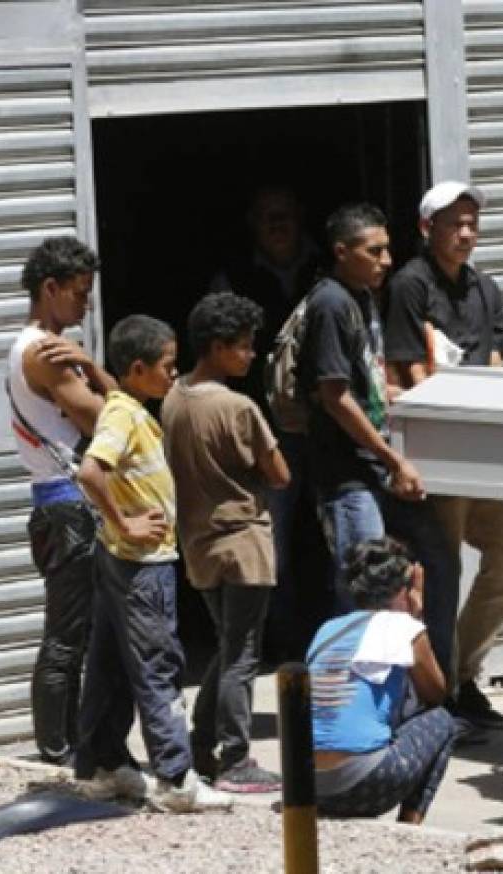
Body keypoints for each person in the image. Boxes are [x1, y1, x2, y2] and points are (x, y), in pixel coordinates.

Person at [297, 203, 460, 687]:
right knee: (364, 588)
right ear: (341, 252)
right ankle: (350, 697)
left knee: (437, 560)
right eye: (375, 251)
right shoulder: (330, 303)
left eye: (388, 248)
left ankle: (433, 687)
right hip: (349, 475)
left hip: (379, 468)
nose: (387, 259)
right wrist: (393, 459)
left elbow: (367, 385)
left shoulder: (363, 297)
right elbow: (335, 396)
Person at [75, 314, 232, 813]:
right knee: (159, 666)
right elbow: (90, 471)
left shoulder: (125, 405)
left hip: (121, 563)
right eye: (167, 365)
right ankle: (176, 779)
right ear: (138, 369)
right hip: (142, 565)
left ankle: (102, 764)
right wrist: (126, 523)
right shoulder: (122, 416)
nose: (174, 373)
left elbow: (113, 401)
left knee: (111, 664)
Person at [384, 181, 503, 733]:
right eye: (454, 223)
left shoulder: (486, 288)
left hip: (482, 451)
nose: (466, 232)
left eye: (472, 222)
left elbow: (493, 361)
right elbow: (409, 372)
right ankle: (437, 698)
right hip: (440, 455)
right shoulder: (409, 286)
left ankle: (462, 676)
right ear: (428, 229)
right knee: (439, 575)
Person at [161, 292, 291, 793]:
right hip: (243, 543)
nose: (251, 354)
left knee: (226, 643)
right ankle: (236, 758)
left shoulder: (173, 397)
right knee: (242, 654)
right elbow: (278, 474)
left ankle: (200, 743)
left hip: (198, 543)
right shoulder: (238, 407)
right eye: (243, 346)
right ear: (217, 348)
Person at [7, 236, 113, 766]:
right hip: (67, 506)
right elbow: (107, 422)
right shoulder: (44, 352)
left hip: (62, 504)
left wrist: (91, 370)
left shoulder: (46, 348)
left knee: (78, 635)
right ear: (49, 289)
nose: (84, 305)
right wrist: (89, 372)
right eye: (78, 294)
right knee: (67, 638)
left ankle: (75, 747)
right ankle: (58, 752)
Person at [211, 184, 324, 662]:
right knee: (268, 540)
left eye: (284, 215)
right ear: (253, 226)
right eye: (266, 218)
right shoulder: (233, 278)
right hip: (265, 433)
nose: (277, 226)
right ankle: (280, 643)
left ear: (300, 217)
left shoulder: (326, 273)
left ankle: (330, 637)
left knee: (328, 534)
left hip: (326, 427)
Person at [307, 537, 457, 824]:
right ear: (406, 589)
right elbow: (436, 694)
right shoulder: (404, 628)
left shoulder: (327, 629)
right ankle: (408, 828)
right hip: (365, 783)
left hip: (306, 785)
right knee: (443, 721)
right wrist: (418, 614)